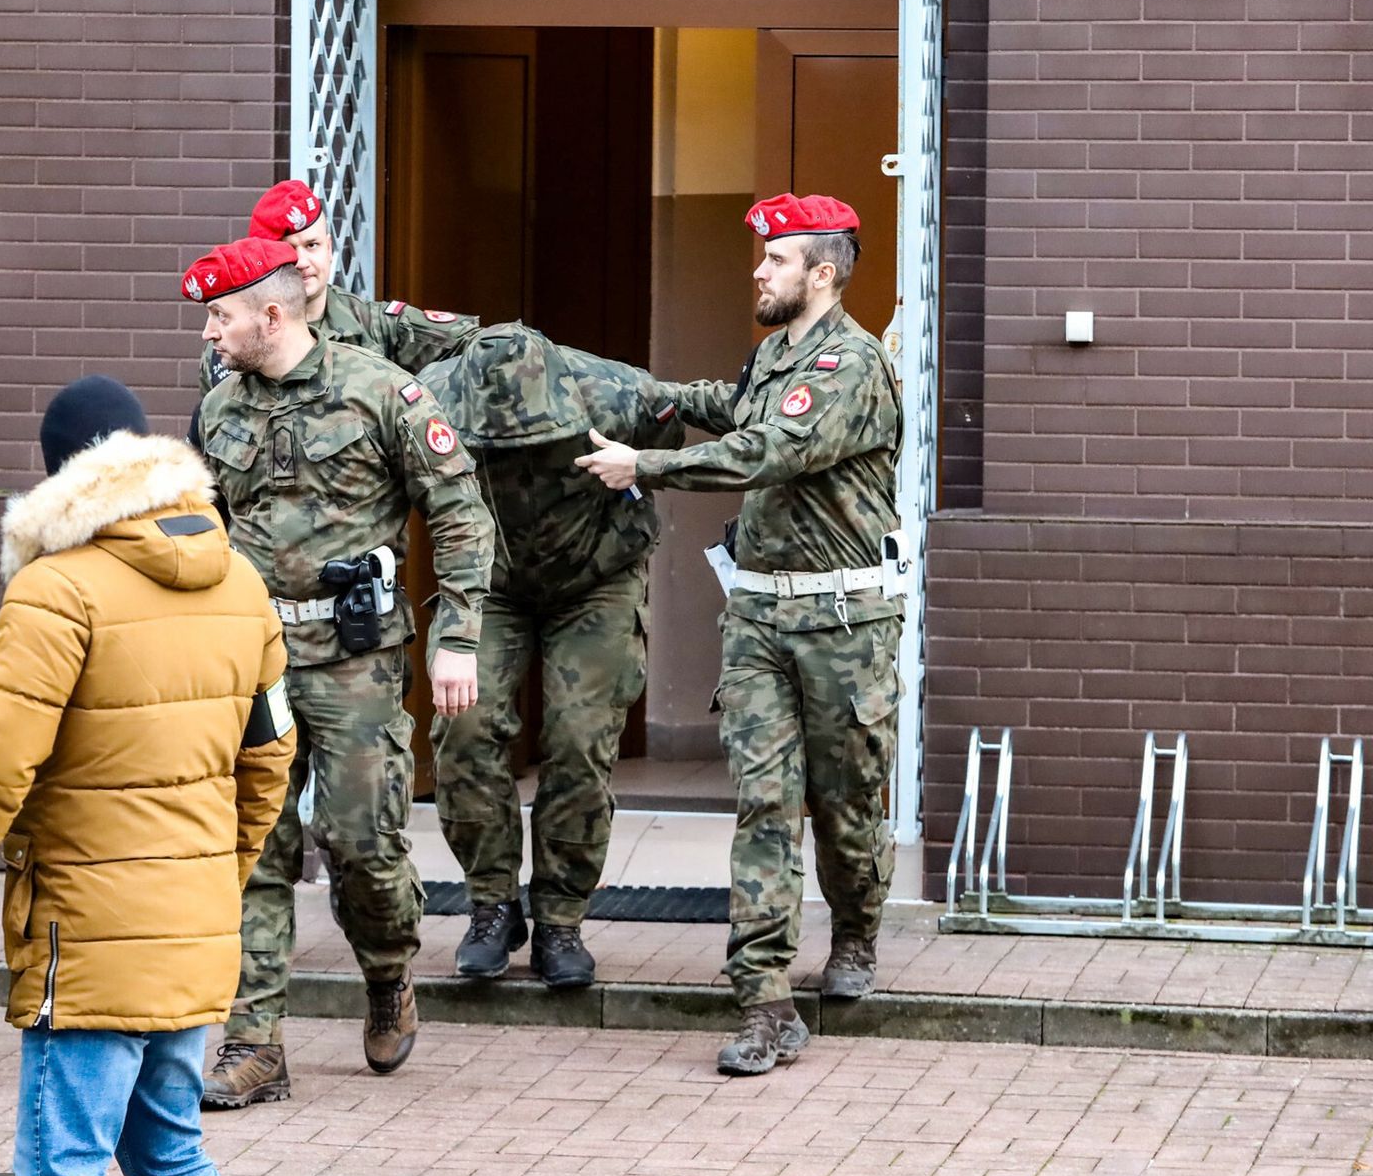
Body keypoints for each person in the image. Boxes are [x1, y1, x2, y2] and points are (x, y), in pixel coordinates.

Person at [0, 375, 295, 1176]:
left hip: (89, 945)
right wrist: (211, 881)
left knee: (63, 1172)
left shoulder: (56, 590)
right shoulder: (243, 584)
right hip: (192, 933)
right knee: (170, 1158)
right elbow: (269, 759)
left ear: (57, 475)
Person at [575, 193, 904, 1077]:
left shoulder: (852, 366)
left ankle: (857, 937)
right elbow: (737, 405)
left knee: (845, 806)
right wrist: (650, 398)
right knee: (764, 803)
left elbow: (771, 448)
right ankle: (763, 998)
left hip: (844, 624)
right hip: (758, 619)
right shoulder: (776, 355)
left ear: (822, 272)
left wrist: (645, 464)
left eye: (776, 259)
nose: (758, 270)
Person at [186, 237, 495, 1107]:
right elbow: (200, 523)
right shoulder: (217, 410)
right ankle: (253, 1044)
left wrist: (458, 637)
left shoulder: (379, 391)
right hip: (252, 663)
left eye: (222, 316)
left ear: (271, 316)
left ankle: (390, 971)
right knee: (254, 848)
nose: (212, 333)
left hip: (357, 662)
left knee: (363, 849)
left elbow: (461, 512)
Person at [417, 324, 684, 986]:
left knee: (579, 735)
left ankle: (561, 918)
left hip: (597, 577)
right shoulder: (423, 403)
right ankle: (492, 904)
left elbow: (669, 447)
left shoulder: (620, 394)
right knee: (464, 727)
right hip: (491, 581)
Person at [188, 181, 478, 427]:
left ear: (329, 248)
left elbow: (476, 346)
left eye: (311, 245)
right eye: (288, 250)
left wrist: (422, 396)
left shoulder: (376, 324)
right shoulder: (231, 347)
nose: (302, 262)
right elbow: (211, 437)